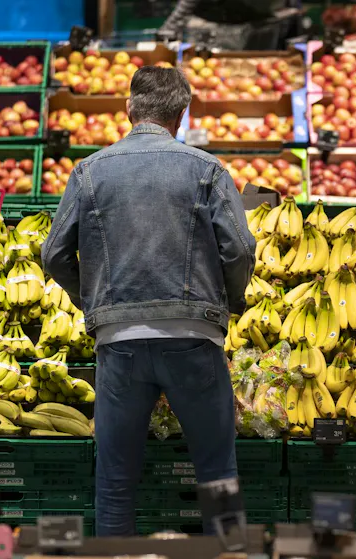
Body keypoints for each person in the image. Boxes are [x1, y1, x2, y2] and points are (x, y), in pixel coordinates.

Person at [42, 66, 257, 536]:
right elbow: (240, 249)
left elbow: (53, 254)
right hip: (194, 339)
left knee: (116, 482)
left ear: (128, 111)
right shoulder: (208, 169)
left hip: (119, 343)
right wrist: (231, 301)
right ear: (181, 116)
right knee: (217, 474)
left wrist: (93, 301)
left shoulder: (89, 171)